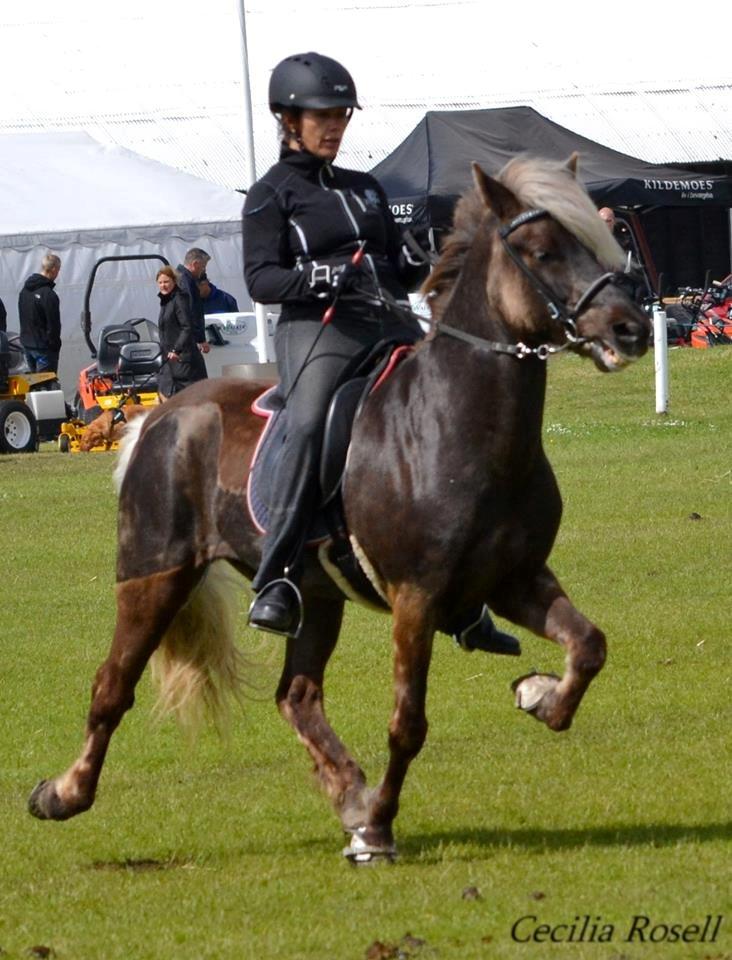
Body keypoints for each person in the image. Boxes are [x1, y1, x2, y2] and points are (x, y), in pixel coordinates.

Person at [242, 51, 519, 657]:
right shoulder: (270, 196)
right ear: (288, 119)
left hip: (384, 326)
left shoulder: (366, 189)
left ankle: (466, 599)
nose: (335, 125)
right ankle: (278, 574)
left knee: (450, 411)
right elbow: (262, 279)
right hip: (317, 332)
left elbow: (397, 269)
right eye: (323, 115)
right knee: (312, 422)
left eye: (341, 114)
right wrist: (325, 276)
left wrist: (423, 260)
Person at [155, 265, 206, 398]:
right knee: (167, 391)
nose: (163, 285)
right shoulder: (166, 301)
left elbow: (186, 327)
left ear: (174, 281)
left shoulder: (179, 299)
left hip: (184, 359)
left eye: (166, 282)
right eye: (160, 282)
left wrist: (176, 349)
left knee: (190, 396)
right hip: (171, 360)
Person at [18, 253, 62, 373]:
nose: (58, 274)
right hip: (43, 348)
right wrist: (54, 345)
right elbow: (54, 324)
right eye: (58, 270)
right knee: (46, 386)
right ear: (53, 270)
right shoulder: (48, 295)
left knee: (33, 385)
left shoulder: (24, 291)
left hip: (27, 344)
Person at [176, 248, 211, 380]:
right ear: (195, 264)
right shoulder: (185, 281)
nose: (203, 271)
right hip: (187, 341)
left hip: (183, 338)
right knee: (198, 378)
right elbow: (190, 310)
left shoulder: (180, 277)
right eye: (203, 267)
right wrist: (199, 338)